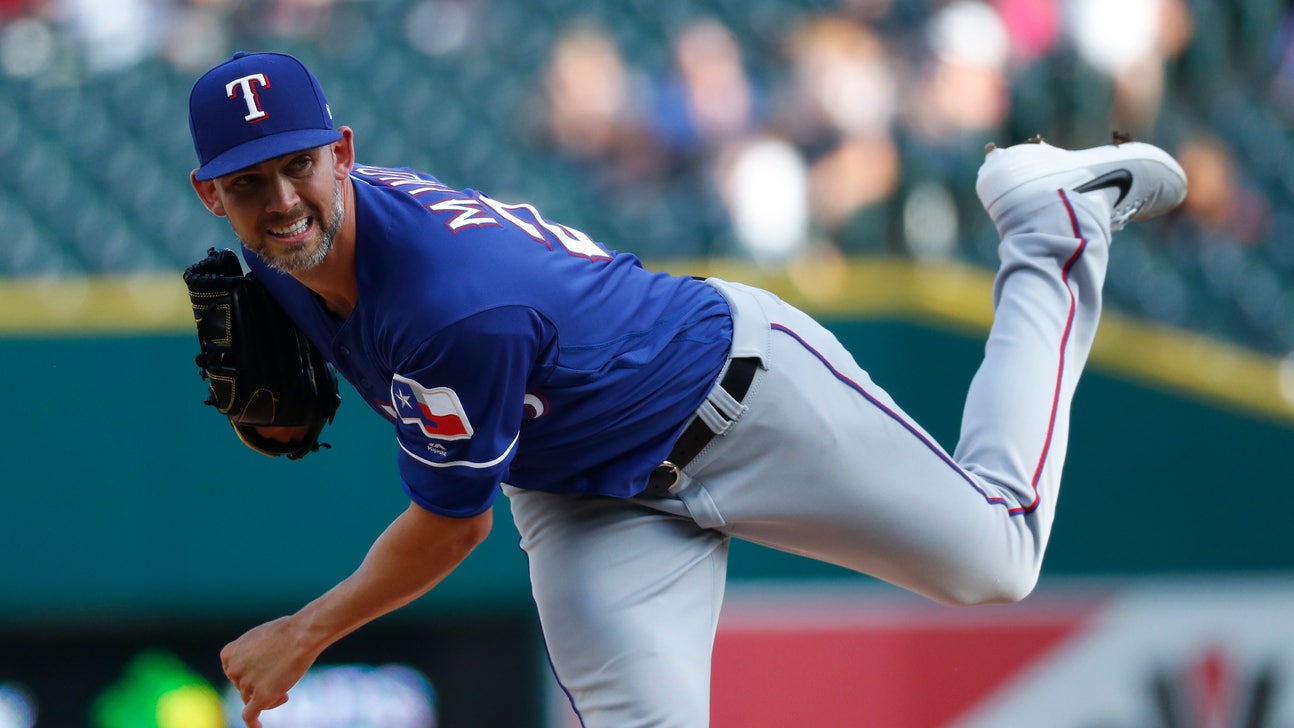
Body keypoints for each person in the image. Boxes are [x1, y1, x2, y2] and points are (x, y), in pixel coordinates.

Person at [187, 52, 1187, 727]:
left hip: (736, 396)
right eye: (248, 183)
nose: (281, 201)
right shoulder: (290, 259)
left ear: (344, 154)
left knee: (996, 554)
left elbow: (451, 526)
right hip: (584, 493)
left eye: (298, 167)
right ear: (209, 194)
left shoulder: (454, 309)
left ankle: (1048, 219)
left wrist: (303, 631)